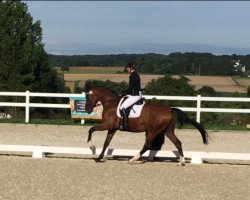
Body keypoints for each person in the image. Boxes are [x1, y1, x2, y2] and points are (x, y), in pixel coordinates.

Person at [120, 62, 142, 131]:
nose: (127, 69)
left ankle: (126, 124)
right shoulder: (137, 74)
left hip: (135, 95)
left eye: (127, 68)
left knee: (122, 107)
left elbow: (130, 88)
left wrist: (124, 92)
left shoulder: (132, 75)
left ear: (131, 68)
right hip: (138, 93)